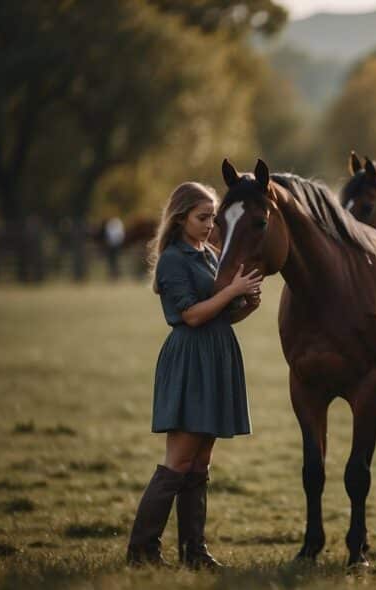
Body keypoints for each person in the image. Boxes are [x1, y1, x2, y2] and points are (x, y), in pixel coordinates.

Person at [126, 182, 263, 570]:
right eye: (202, 218)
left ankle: (194, 552)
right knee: (179, 460)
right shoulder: (173, 259)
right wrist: (230, 290)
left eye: (212, 218)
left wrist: (247, 302)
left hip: (218, 355)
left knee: (200, 462)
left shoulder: (211, 254)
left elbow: (222, 313)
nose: (209, 225)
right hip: (190, 358)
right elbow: (191, 315)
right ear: (180, 217)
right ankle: (142, 551)